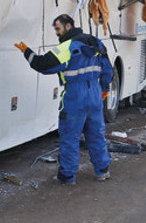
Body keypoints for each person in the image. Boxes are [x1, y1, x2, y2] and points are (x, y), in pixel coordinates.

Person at [14, 14, 113, 184]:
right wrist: (104, 88)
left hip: (75, 96)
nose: (57, 33)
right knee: (96, 134)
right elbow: (107, 68)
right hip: (95, 94)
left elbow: (42, 65)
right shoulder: (96, 42)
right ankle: (102, 171)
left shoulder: (66, 48)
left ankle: (67, 176)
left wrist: (26, 51)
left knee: (70, 136)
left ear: (68, 26)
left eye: (58, 29)